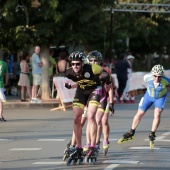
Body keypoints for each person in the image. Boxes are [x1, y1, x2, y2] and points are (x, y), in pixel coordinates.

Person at [64, 51, 111, 162]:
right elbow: (78, 80)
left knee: (90, 116)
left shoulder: (93, 68)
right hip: (81, 92)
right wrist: (70, 86)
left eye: (78, 64)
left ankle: (93, 146)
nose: (75, 66)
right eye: (73, 64)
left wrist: (107, 81)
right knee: (76, 119)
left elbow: (106, 75)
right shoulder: (69, 73)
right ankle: (79, 147)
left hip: (95, 90)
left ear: (82, 63)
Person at [118, 64, 170, 146]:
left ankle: (152, 133)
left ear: (162, 75)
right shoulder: (147, 77)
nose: (157, 78)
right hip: (148, 97)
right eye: (155, 76)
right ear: (152, 74)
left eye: (159, 76)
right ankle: (132, 131)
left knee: (157, 114)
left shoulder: (166, 80)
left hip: (160, 98)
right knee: (139, 114)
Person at [83, 50, 114, 155]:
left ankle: (101, 140)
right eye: (91, 60)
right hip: (90, 98)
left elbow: (110, 87)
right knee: (90, 119)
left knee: (102, 120)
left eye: (95, 60)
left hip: (102, 97)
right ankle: (88, 143)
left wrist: (112, 102)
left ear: (99, 61)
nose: (93, 62)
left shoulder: (105, 71)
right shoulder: (86, 71)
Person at [0, 55, 9, 121]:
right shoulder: (4, 64)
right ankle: (0, 115)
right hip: (0, 84)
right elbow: (6, 75)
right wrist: (6, 83)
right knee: (0, 101)